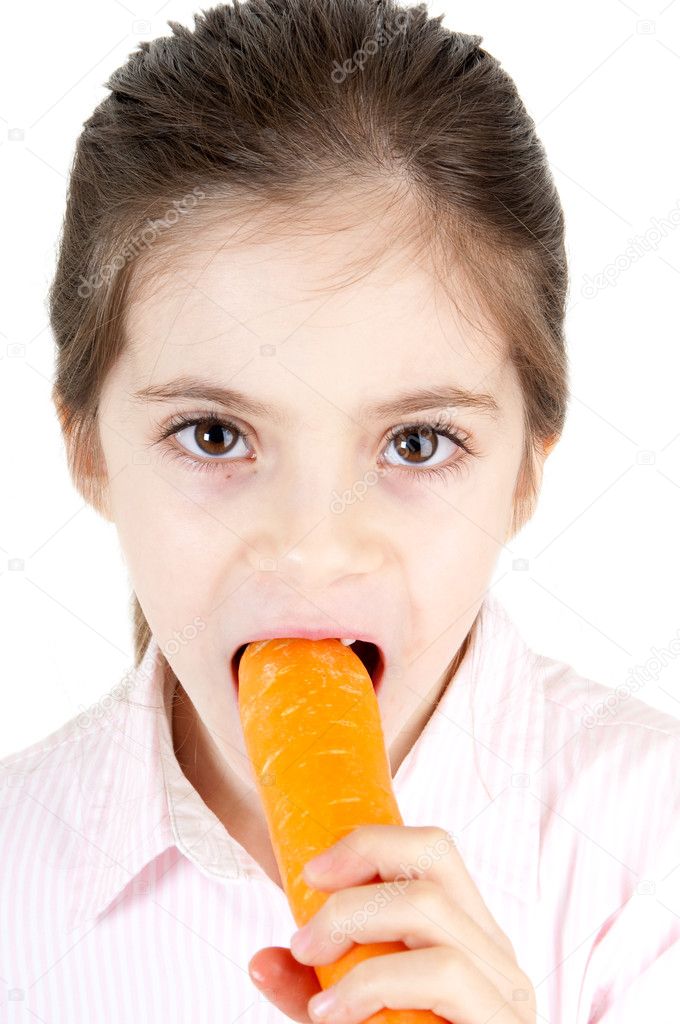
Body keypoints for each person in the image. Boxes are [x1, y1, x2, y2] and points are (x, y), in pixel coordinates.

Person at [3, 0, 679, 1020]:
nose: (311, 549)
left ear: (524, 474)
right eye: (214, 435)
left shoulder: (650, 859)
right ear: (88, 448)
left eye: (415, 443)